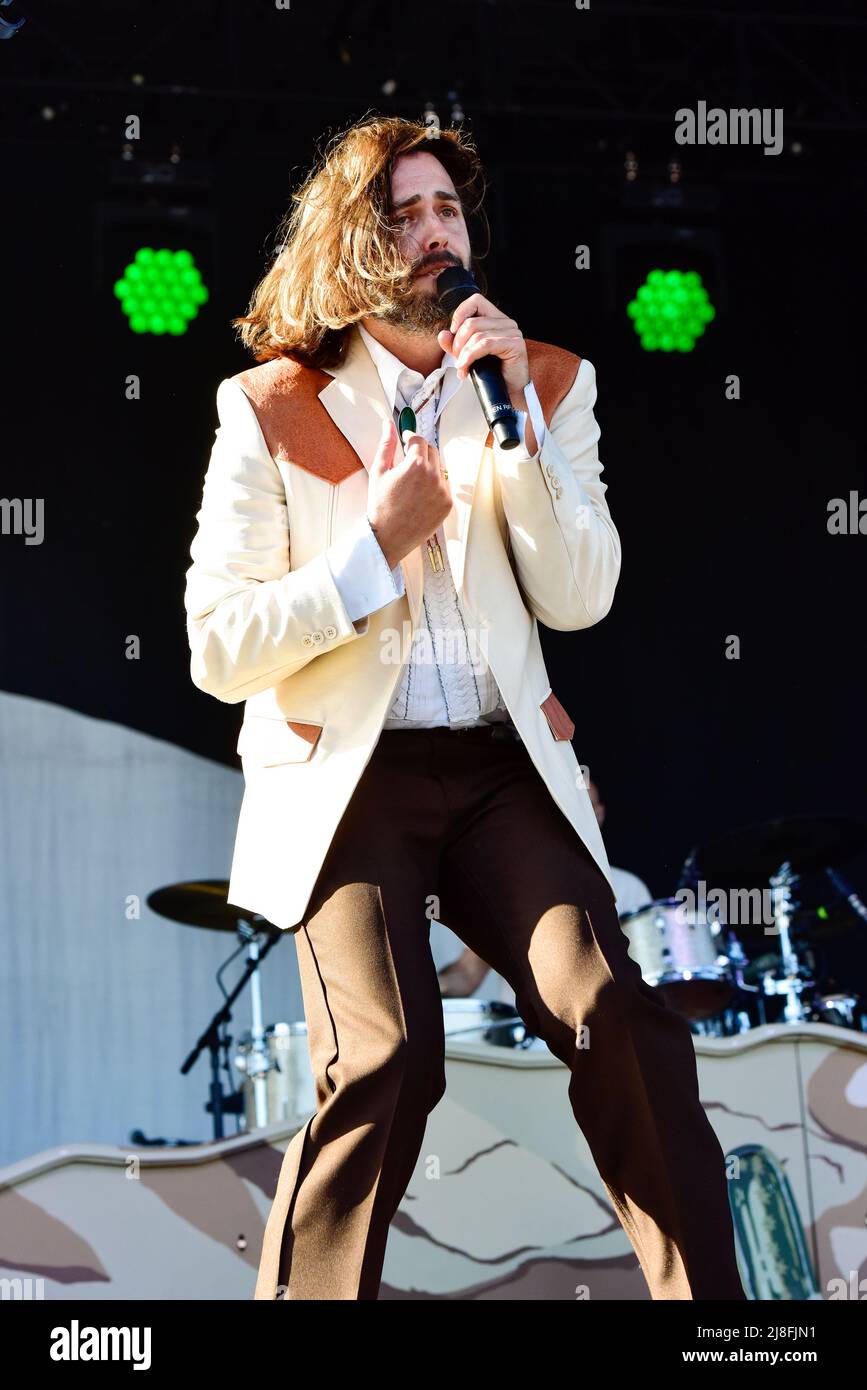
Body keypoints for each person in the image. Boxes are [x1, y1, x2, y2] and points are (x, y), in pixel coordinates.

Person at [184, 114, 745, 1301]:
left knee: (620, 1021)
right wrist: (370, 553)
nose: (439, 232)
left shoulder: (544, 380)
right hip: (352, 778)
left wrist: (520, 429)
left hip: (499, 771)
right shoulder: (270, 406)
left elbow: (580, 598)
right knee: (387, 1057)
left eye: (450, 210)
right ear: (353, 243)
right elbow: (217, 648)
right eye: (407, 214)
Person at [437, 777, 653, 1001]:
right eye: (566, 805)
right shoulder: (510, 888)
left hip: (605, 1030)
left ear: (599, 813)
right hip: (527, 1034)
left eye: (584, 806)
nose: (574, 815)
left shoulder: (629, 888)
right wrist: (419, 993)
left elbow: (648, 980)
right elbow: (467, 975)